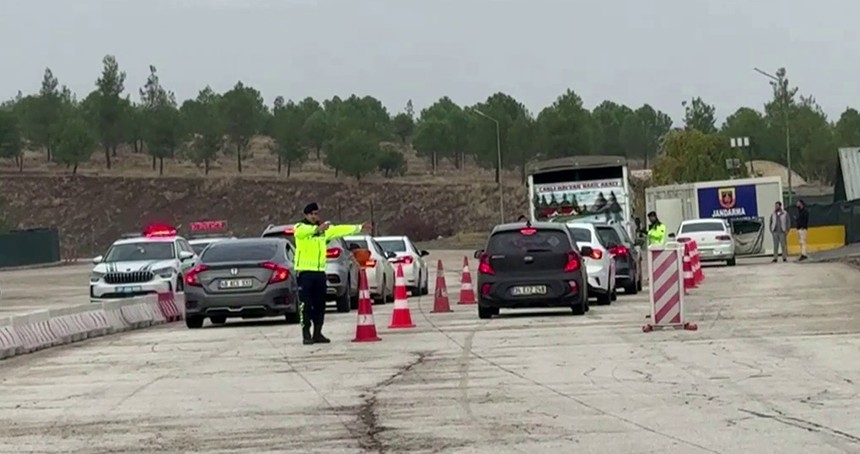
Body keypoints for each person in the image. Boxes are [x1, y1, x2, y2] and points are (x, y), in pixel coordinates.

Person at [294, 202, 371, 345]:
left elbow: (340, 230)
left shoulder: (324, 231)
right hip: (305, 273)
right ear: (306, 215)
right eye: (312, 214)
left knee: (320, 305)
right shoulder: (300, 228)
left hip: (319, 273)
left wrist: (358, 228)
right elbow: (304, 232)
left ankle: (318, 333)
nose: (314, 216)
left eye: (316, 214)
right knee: (306, 305)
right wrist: (317, 229)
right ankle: (306, 334)